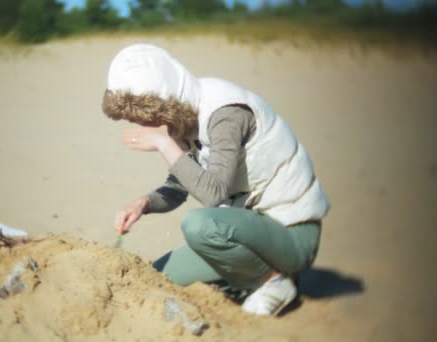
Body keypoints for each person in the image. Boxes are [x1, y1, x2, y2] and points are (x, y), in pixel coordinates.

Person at [101, 44, 330, 316]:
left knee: (199, 225)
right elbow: (178, 187)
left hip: (292, 232)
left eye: (147, 118)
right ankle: (254, 275)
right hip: (247, 233)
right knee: (159, 276)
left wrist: (164, 144)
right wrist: (143, 204)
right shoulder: (183, 121)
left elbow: (214, 194)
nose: (145, 128)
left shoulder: (226, 113)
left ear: (168, 103)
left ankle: (273, 282)